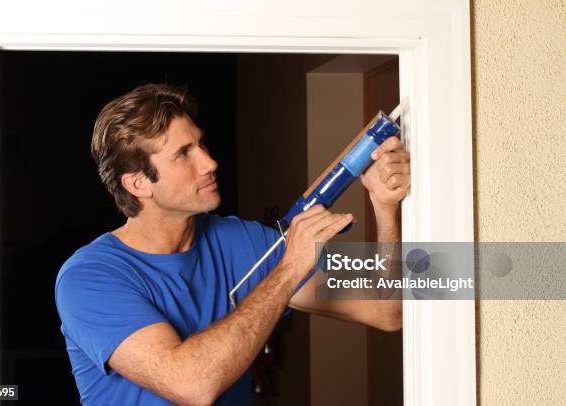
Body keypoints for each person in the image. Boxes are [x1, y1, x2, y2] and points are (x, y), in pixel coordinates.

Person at [55, 83, 410, 405]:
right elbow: (191, 385)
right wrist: (288, 271)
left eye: (201, 144)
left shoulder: (241, 242)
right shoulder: (89, 278)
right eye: (183, 154)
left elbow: (387, 310)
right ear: (138, 184)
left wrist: (384, 205)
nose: (210, 162)